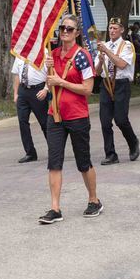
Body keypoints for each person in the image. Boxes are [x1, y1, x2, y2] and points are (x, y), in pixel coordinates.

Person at [39, 14, 101, 224]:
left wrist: (61, 82)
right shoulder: (53, 54)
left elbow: (88, 89)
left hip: (77, 116)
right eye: (62, 28)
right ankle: (55, 208)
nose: (64, 31)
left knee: (83, 162)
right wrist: (48, 71)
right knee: (54, 162)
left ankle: (94, 200)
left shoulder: (83, 56)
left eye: (69, 29)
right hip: (55, 115)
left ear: (77, 33)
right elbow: (50, 82)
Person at [95, 17, 140, 166]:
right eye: (110, 28)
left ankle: (133, 142)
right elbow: (97, 71)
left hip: (121, 84)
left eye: (115, 28)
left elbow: (121, 64)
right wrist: (101, 61)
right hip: (106, 84)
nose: (112, 31)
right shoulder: (104, 46)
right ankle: (110, 154)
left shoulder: (126, 46)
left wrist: (107, 52)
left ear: (122, 30)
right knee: (105, 121)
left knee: (120, 119)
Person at [11, 55, 49, 163]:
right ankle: (30, 153)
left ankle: (54, 149)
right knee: (22, 122)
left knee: (44, 122)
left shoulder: (43, 53)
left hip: (38, 90)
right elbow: (17, 75)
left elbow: (50, 73)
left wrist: (46, 89)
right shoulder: (20, 54)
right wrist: (16, 93)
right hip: (23, 90)